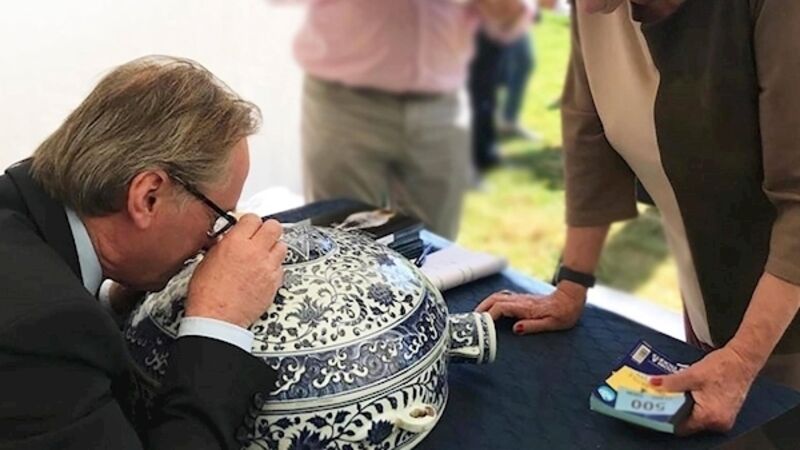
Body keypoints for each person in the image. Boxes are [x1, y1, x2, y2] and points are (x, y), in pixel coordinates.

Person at [477, 0, 800, 435]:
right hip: (709, 301)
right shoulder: (596, 9)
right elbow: (590, 143)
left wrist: (743, 356)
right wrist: (570, 287)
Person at [0, 56, 288, 449]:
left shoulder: (17, 206)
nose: (215, 242)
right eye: (218, 217)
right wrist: (218, 322)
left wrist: (112, 299)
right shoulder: (39, 333)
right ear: (148, 196)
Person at [294, 0, 534, 239]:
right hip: (345, 104)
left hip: (441, 109)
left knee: (435, 247)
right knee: (339, 243)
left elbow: (509, 20)